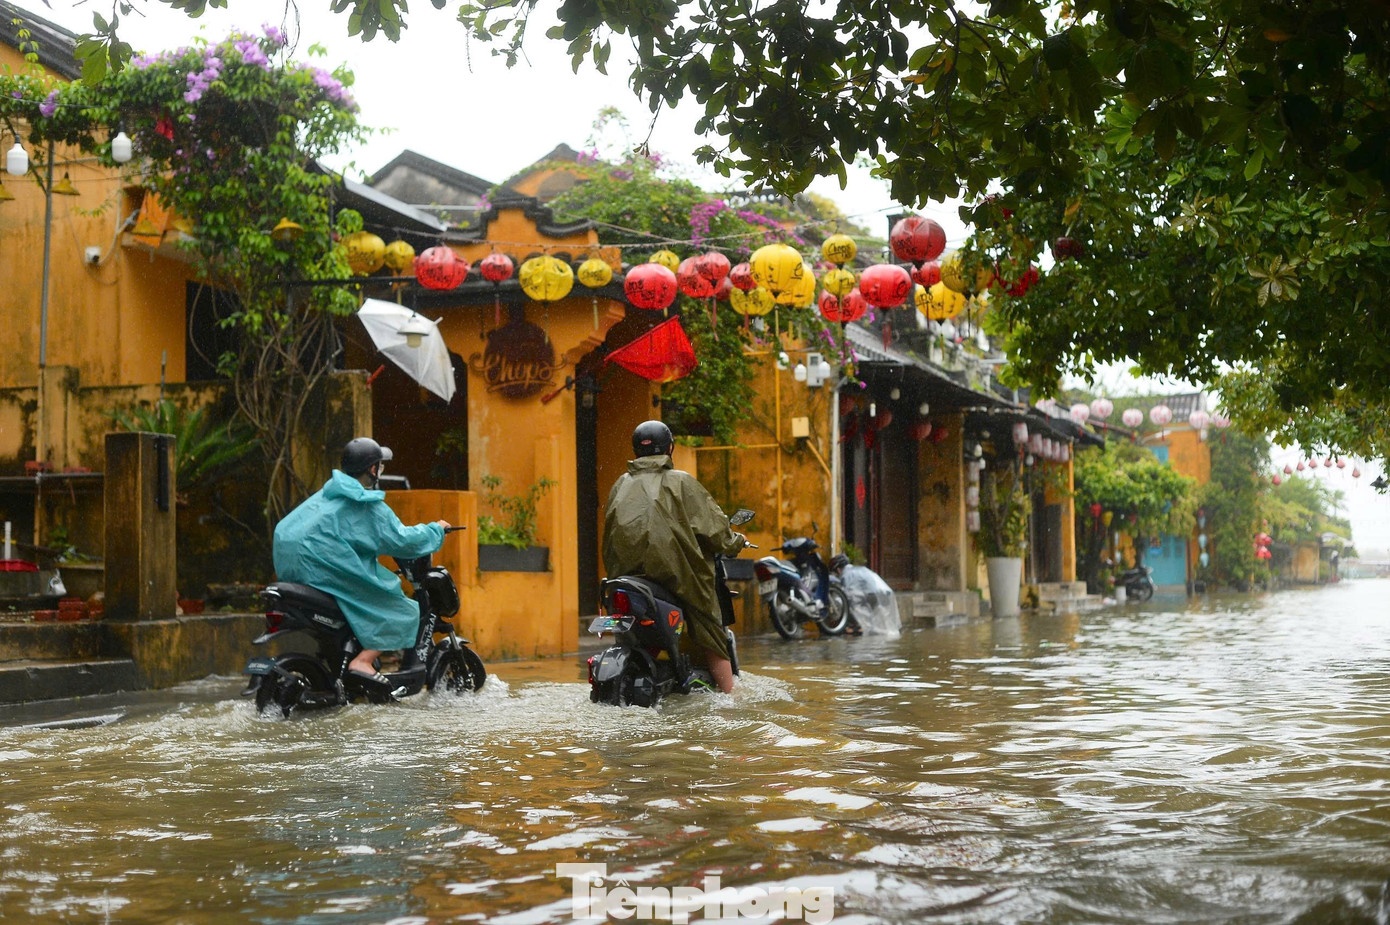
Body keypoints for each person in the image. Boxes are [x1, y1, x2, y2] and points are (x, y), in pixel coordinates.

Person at [273, 437, 450, 690]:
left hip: (295, 572)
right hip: (322, 571)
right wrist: (436, 530)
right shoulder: (366, 505)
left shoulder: (328, 494)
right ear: (372, 469)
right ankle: (363, 661)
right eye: (380, 465)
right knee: (401, 608)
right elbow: (401, 540)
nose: (381, 470)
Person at [602, 420, 746, 693]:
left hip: (625, 579)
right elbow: (715, 530)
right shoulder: (681, 482)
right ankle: (732, 696)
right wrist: (734, 542)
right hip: (674, 577)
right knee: (708, 621)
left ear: (636, 450)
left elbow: (610, 532)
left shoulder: (620, 484)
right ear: (670, 448)